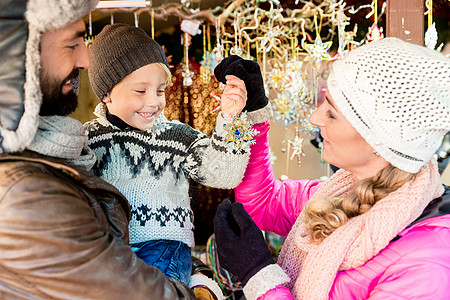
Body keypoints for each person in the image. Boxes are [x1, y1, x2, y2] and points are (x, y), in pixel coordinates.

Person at [0, 1, 225, 299]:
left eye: (159, 90)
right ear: (18, 59)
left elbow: (122, 260)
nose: (85, 59)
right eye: (71, 45)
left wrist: (194, 273)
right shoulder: (24, 191)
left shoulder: (59, 155)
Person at [213, 37, 450, 300]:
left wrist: (259, 276)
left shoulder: (425, 264)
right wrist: (254, 114)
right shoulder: (341, 194)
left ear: (378, 141)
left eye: (332, 113)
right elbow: (265, 203)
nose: (315, 117)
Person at [83, 23, 271, 288]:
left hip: (164, 247)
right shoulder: (87, 140)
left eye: (160, 91)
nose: (153, 102)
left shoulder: (176, 137)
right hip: (108, 250)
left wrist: (231, 119)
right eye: (141, 91)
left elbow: (225, 173)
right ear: (106, 94)